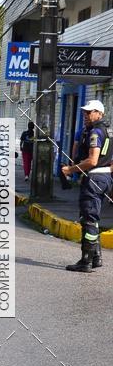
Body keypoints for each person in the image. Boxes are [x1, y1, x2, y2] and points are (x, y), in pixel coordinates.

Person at [62, 100, 113, 272]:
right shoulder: (109, 131)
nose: (86, 115)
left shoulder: (96, 133)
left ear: (99, 113)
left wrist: (70, 169)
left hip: (94, 178)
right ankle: (96, 257)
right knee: (93, 218)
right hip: (105, 178)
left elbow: (92, 160)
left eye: (90, 112)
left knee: (89, 219)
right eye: (85, 112)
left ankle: (86, 261)